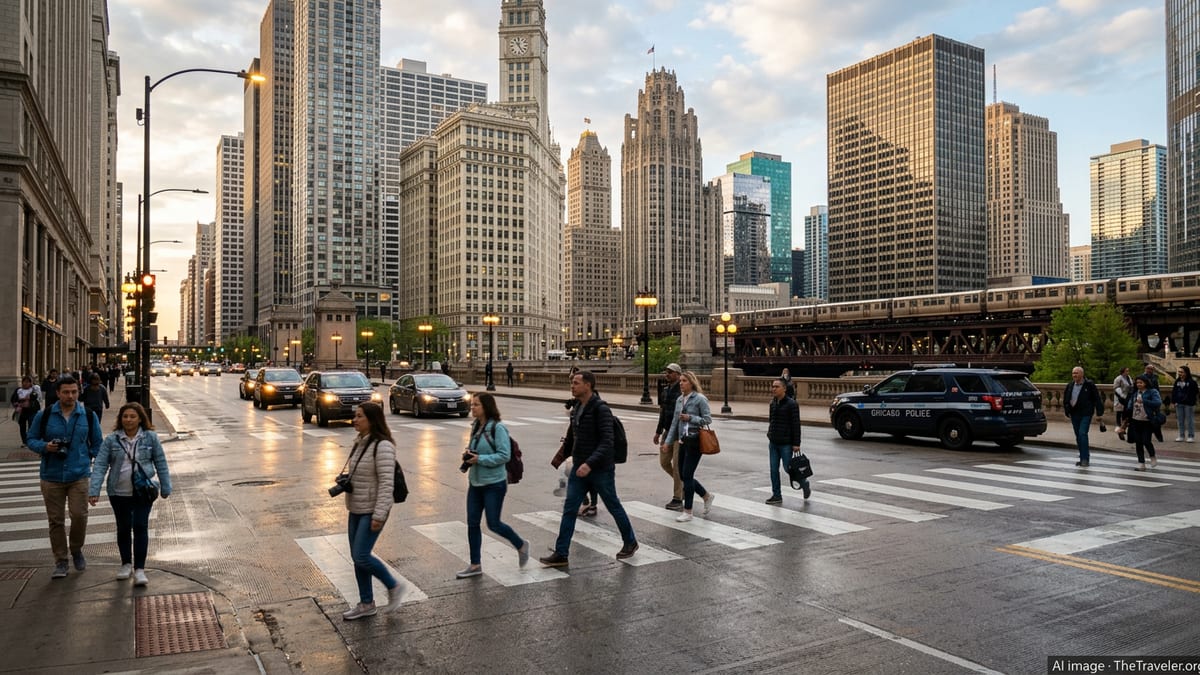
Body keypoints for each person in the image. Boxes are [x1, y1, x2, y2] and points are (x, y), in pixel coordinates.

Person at [540, 371, 638, 566]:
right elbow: (572, 437)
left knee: (613, 505)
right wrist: (562, 458)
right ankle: (561, 553)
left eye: (576, 383)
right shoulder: (577, 407)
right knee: (569, 509)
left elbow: (607, 442)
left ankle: (630, 541)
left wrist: (589, 463)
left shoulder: (600, 409)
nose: (572, 386)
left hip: (600, 469)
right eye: (572, 383)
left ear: (588, 385)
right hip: (579, 469)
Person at [27, 376, 103, 578]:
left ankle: (76, 549)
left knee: (79, 516)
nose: (70, 396)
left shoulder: (87, 415)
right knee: (56, 520)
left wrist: (91, 459)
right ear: (58, 393)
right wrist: (45, 447)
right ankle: (61, 560)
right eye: (66, 392)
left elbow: (97, 443)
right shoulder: (44, 416)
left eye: (74, 392)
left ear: (78, 392)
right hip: (51, 475)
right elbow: (31, 439)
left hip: (78, 474)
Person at [88, 402, 171, 585]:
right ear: (120, 419)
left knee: (140, 526)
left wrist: (166, 487)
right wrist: (94, 490)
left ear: (140, 418)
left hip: (143, 491)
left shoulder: (150, 438)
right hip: (118, 492)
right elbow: (100, 465)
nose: (128, 420)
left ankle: (140, 569)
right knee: (124, 528)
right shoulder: (112, 440)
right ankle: (125, 564)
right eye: (125, 416)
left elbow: (161, 462)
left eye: (133, 416)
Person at [339, 402, 404, 620]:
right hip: (356, 506)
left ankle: (393, 586)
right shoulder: (360, 442)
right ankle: (366, 603)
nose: (354, 420)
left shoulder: (383, 446)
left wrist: (379, 515)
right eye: (354, 416)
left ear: (371, 420)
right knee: (357, 558)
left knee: (361, 555)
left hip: (371, 509)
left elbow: (387, 484)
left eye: (359, 416)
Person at [456, 392, 528, 578]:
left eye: (476, 405)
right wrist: (469, 454)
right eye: (472, 404)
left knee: (493, 523)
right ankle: (475, 565)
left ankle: (520, 544)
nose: (472, 408)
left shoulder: (498, 428)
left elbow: (504, 455)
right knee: (472, 523)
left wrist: (479, 459)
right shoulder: (475, 427)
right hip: (475, 483)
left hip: (494, 483)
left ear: (486, 407)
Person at [661, 370, 715, 522]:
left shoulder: (699, 399)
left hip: (695, 441)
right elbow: (674, 423)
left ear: (691, 383)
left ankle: (688, 511)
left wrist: (690, 418)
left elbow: (707, 420)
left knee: (687, 474)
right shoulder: (680, 400)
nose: (681, 383)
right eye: (680, 381)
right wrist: (668, 442)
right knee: (683, 475)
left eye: (684, 381)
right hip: (682, 440)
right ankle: (706, 496)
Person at [766, 378, 809, 503]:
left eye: (777, 386)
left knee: (788, 468)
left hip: (786, 443)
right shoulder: (772, 403)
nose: (773, 389)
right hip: (773, 442)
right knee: (773, 470)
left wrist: (796, 443)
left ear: (784, 388)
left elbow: (796, 424)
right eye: (773, 386)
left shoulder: (792, 404)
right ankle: (777, 495)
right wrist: (770, 433)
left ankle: (804, 483)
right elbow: (771, 420)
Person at [652, 363, 684, 511]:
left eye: (670, 372)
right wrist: (658, 431)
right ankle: (683, 484)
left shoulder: (682, 391)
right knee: (664, 462)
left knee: (677, 466)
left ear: (678, 374)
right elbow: (662, 412)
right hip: (667, 431)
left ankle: (677, 497)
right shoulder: (665, 390)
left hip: (679, 433)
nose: (667, 374)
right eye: (666, 372)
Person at [1062, 367, 1103, 468]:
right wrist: (1067, 410)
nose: (1074, 375)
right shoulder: (1070, 385)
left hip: (1086, 413)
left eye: (1076, 373)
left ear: (1082, 374)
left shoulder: (1089, 385)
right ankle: (1082, 458)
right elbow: (1066, 398)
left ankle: (1085, 459)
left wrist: (1099, 412)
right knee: (1078, 436)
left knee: (1082, 433)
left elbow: (1097, 398)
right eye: (1073, 373)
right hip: (1074, 413)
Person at [1127, 375, 1162, 470]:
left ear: (1145, 383)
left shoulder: (1152, 392)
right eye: (1137, 383)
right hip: (1136, 420)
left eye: (1140, 382)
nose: (1139, 384)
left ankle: (1152, 456)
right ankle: (1141, 463)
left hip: (1147, 421)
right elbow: (1130, 406)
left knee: (1146, 441)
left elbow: (1158, 402)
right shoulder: (1135, 393)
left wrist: (1144, 401)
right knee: (1138, 442)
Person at [10, 376, 40, 447]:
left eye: (28, 382)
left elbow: (36, 398)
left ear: (30, 383)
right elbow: (13, 399)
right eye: (24, 382)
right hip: (22, 411)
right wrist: (17, 403)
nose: (25, 383)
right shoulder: (18, 390)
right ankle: (24, 441)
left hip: (32, 410)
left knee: (31, 425)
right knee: (22, 427)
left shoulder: (34, 389)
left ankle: (30, 440)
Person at [1171, 365, 1197, 443]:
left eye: (1181, 372)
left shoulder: (1192, 382)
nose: (1180, 373)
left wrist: (1189, 400)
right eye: (1179, 372)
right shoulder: (1177, 381)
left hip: (1189, 404)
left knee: (1190, 420)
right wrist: (1174, 401)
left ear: (1186, 373)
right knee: (1180, 420)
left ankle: (1191, 436)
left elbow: (1195, 392)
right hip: (1179, 404)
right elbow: (1174, 392)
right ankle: (1181, 435)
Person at [1112, 366, 1134, 438]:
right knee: (1119, 413)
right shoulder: (1118, 378)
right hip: (1120, 398)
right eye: (1126, 371)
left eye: (1128, 371)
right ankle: (1119, 428)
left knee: (1126, 414)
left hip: (1128, 397)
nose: (1128, 372)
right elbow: (1116, 388)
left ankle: (1122, 428)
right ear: (1123, 372)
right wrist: (1122, 396)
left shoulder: (1129, 377)